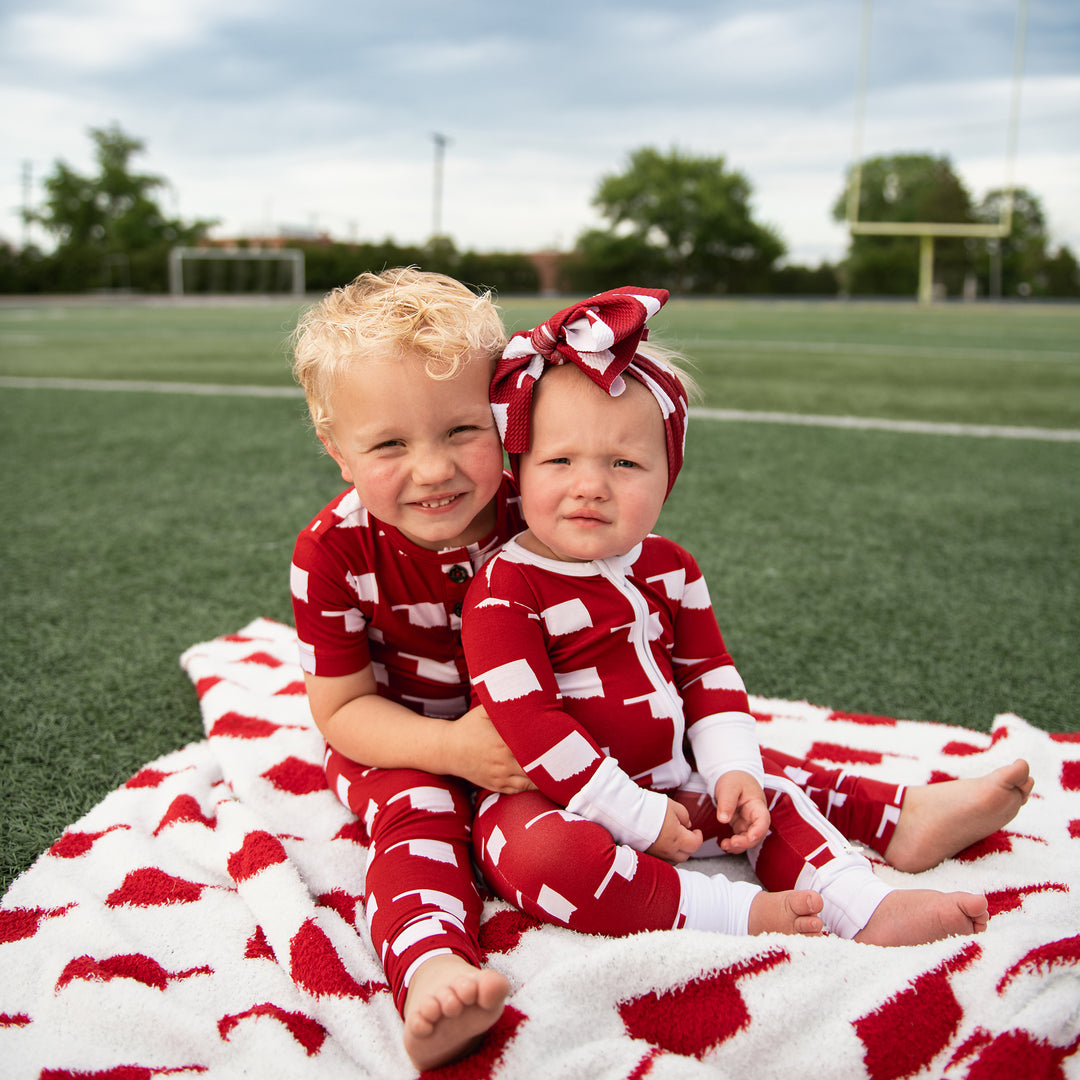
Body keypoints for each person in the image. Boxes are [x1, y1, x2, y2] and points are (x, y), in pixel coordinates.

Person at [462, 286, 1033, 947]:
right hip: (559, 800)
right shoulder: (504, 589)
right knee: (544, 861)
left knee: (772, 798)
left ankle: (862, 906)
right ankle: (732, 914)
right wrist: (633, 815)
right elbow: (533, 728)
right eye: (559, 461)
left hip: (674, 780)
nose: (591, 484)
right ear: (520, 469)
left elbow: (709, 676)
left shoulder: (671, 567)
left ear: (667, 475)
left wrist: (732, 769)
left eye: (625, 463)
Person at [289, 268, 528, 1070]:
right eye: (389, 444)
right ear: (337, 450)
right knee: (416, 817)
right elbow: (343, 709)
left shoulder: (539, 512)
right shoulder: (332, 550)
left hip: (539, 727)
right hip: (403, 735)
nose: (433, 471)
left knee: (671, 757)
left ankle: (868, 823)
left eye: (463, 431)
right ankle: (431, 969)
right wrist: (454, 752)